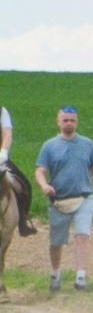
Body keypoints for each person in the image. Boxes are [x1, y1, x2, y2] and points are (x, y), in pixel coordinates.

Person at [34, 106, 93, 292]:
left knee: (82, 236)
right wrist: (44, 186)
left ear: (77, 122)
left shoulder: (88, 144)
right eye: (65, 120)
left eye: (72, 120)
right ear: (58, 122)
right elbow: (40, 170)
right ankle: (56, 273)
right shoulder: (49, 146)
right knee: (56, 242)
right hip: (59, 201)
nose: (69, 123)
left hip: (84, 198)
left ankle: (81, 276)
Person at [0, 100, 37, 235]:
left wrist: (3, 153)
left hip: (0, 160)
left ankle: (23, 221)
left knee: (24, 184)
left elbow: (7, 134)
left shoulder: (2, 112)